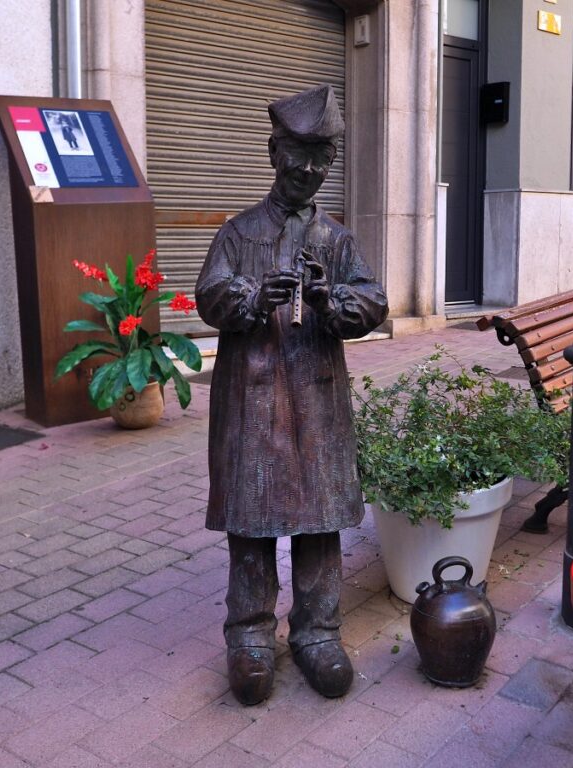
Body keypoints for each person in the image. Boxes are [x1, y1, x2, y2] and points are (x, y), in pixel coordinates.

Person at [195, 85, 388, 706]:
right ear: (274, 150)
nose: (309, 168)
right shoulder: (238, 232)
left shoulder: (336, 239)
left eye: (322, 157)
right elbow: (209, 295)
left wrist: (336, 301)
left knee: (320, 521)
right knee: (251, 522)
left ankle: (317, 632)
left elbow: (374, 301)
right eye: (298, 153)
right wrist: (253, 298)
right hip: (251, 401)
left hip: (316, 398)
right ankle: (250, 634)